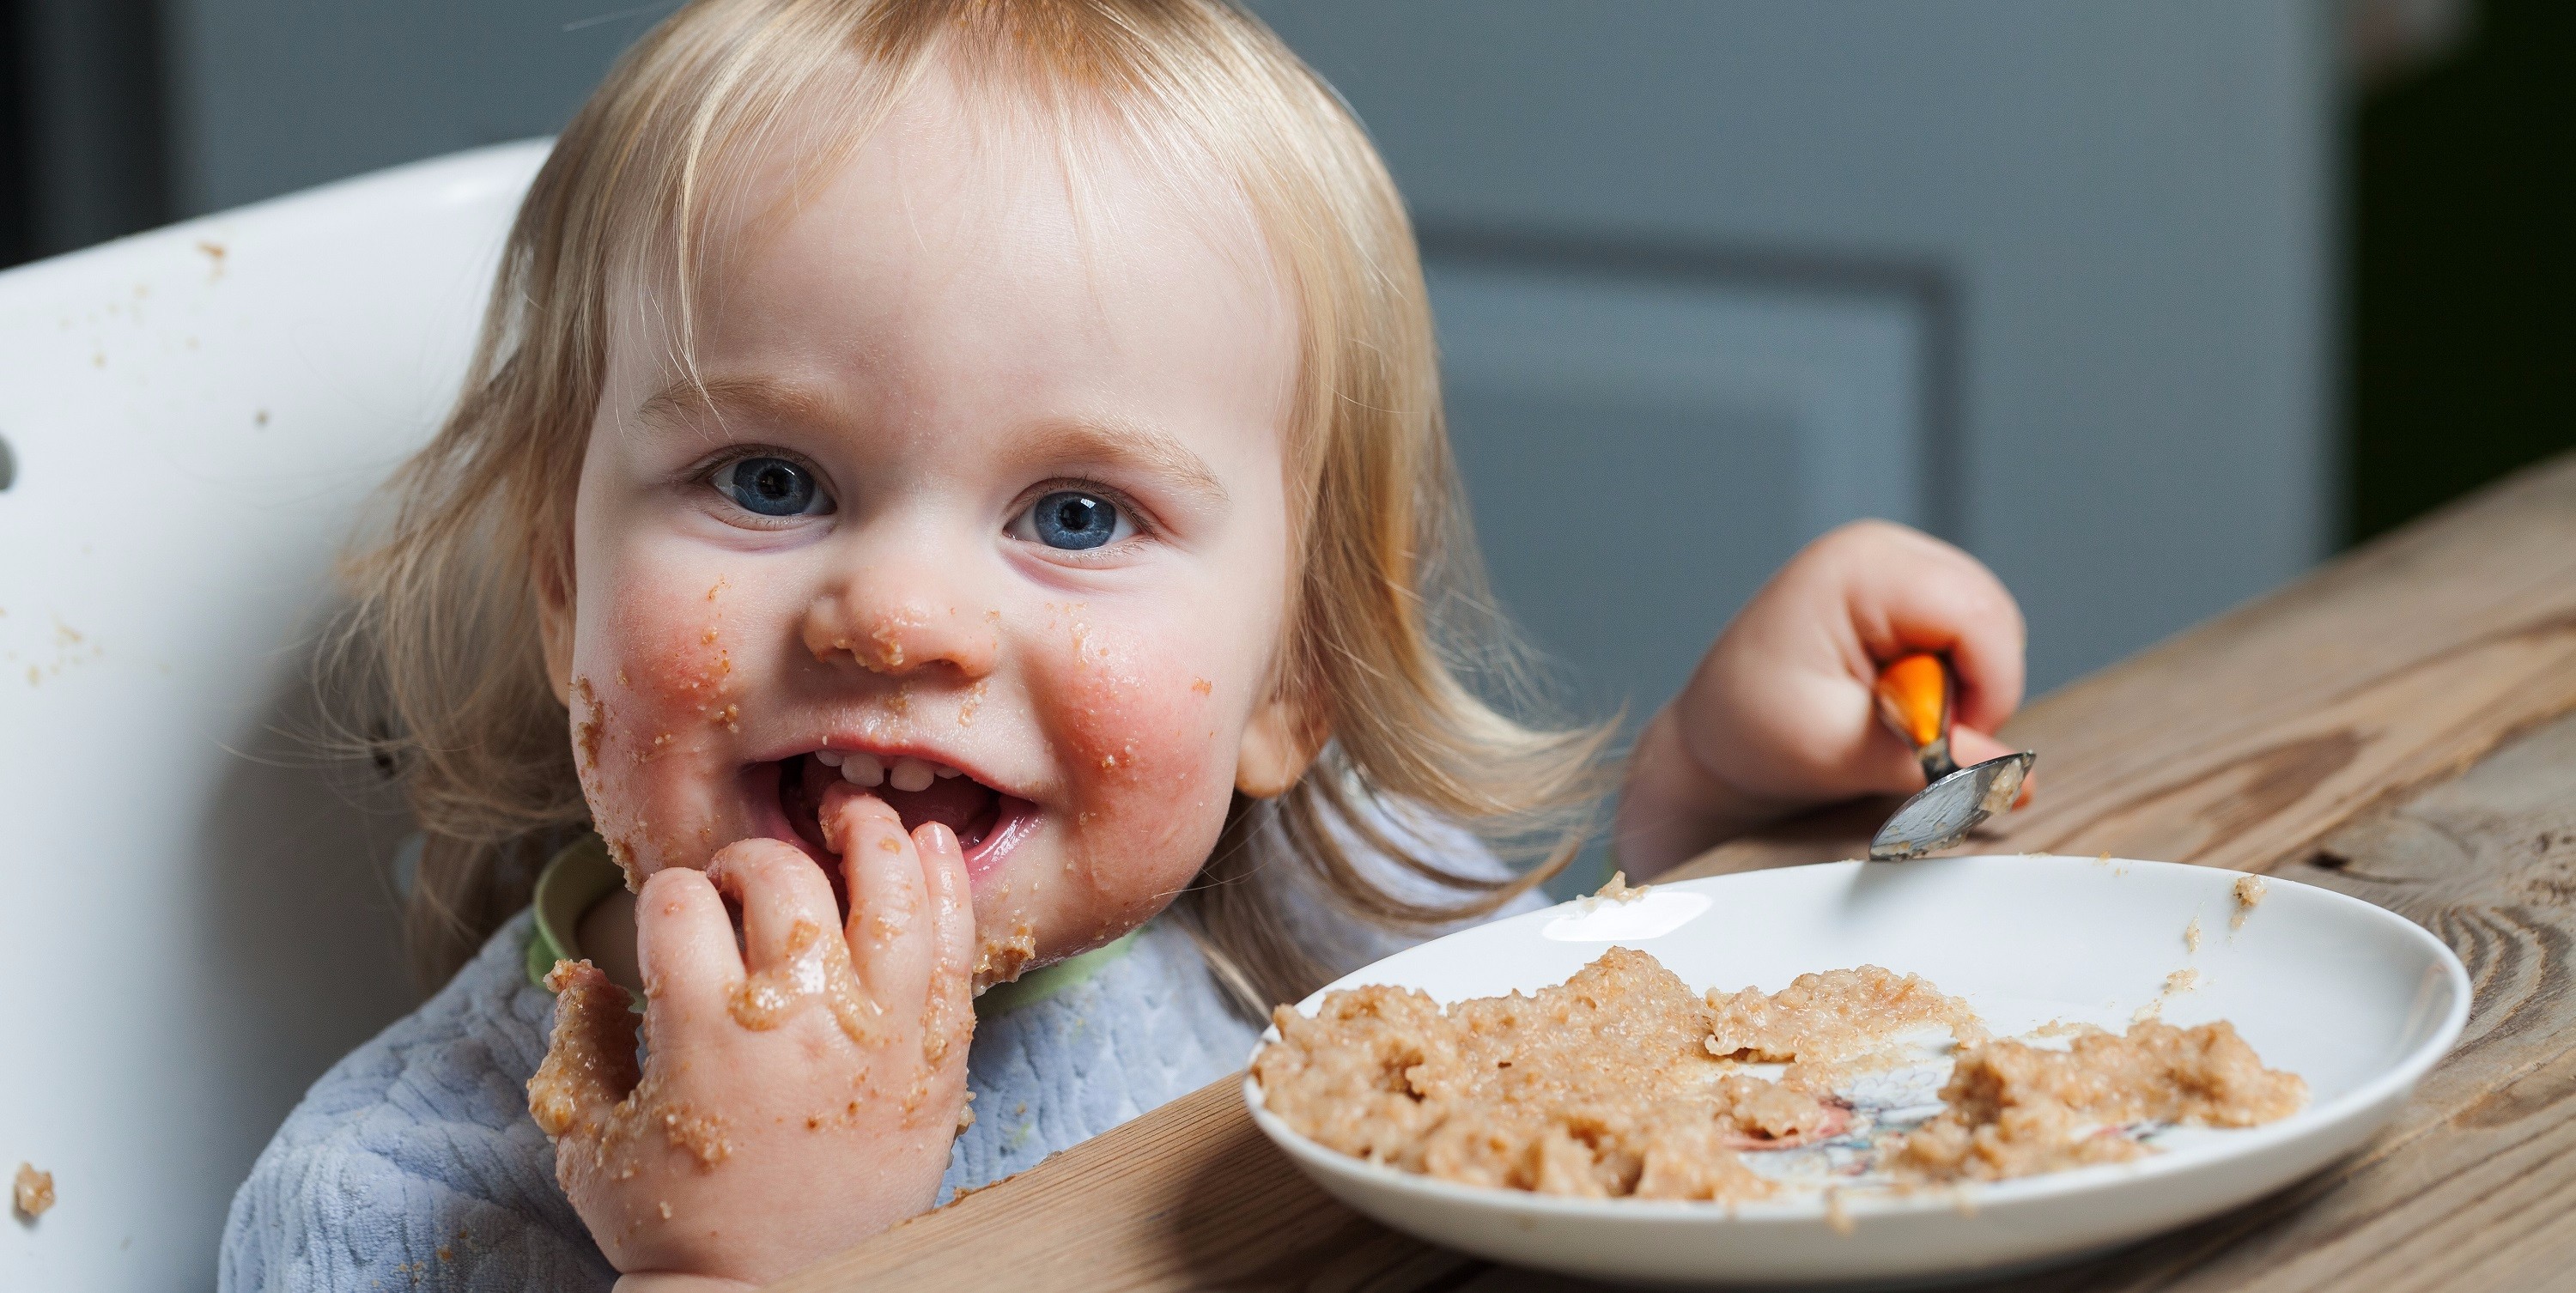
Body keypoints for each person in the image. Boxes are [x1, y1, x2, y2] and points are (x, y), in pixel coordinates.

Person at [219, 2, 2028, 1289]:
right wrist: (753, 1271)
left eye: (1076, 516)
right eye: (766, 479)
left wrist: (1715, 803)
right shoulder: (390, 1209)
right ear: (561, 587)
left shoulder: (1304, 906)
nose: (902, 616)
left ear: (1293, 674)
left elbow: (1599, 1086)